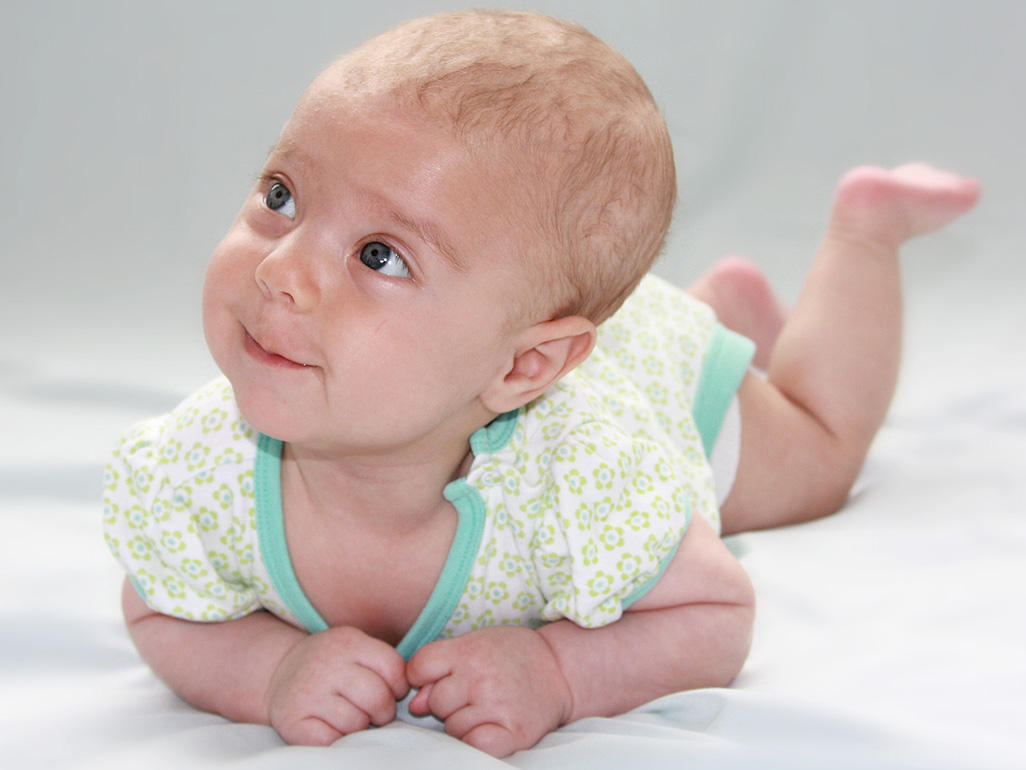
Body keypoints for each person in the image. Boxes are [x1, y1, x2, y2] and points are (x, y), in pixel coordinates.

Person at [101, 9, 980, 758]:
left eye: (380, 255)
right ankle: (729, 309)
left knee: (816, 460)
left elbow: (715, 610)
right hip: (563, 339)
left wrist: (562, 670)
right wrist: (268, 673)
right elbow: (162, 610)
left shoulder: (590, 475)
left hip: (646, 382)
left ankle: (863, 234)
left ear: (524, 368)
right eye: (283, 196)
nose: (282, 272)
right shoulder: (200, 468)